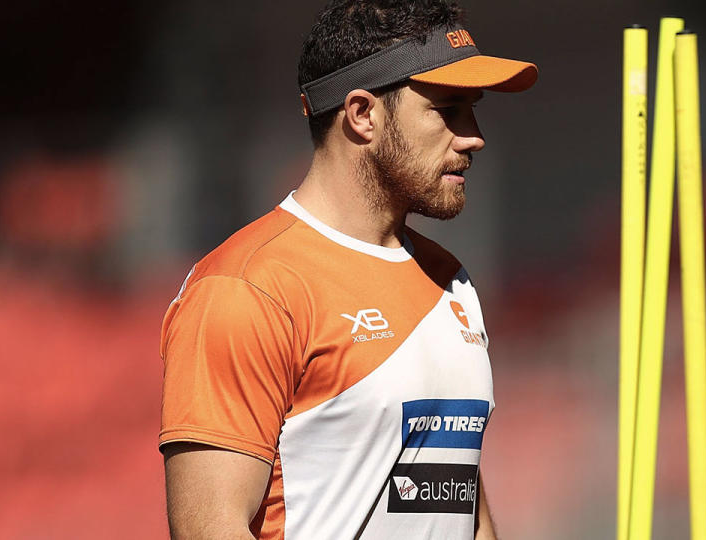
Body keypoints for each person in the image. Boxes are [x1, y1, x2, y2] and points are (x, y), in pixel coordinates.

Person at [158, 1, 537, 538]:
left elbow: (461, 506)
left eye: (472, 110)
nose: (473, 135)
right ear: (362, 114)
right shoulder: (246, 288)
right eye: (448, 109)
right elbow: (209, 528)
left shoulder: (451, 279)